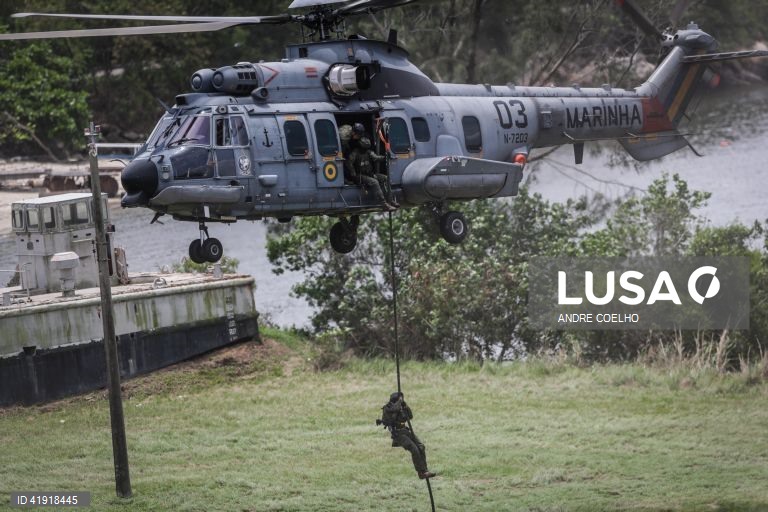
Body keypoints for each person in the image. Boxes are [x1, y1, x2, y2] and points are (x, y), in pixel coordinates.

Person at [378, 392, 436, 479]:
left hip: (405, 430)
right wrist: (399, 403)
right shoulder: (388, 408)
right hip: (398, 433)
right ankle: (421, 472)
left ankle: (425, 470)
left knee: (421, 447)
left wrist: (405, 406)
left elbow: (410, 416)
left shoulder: (401, 406)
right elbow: (393, 414)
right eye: (400, 398)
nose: (402, 400)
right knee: (414, 449)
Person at [348, 136, 398, 210]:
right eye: (364, 148)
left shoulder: (368, 152)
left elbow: (376, 158)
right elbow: (349, 163)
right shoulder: (355, 153)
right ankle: (383, 204)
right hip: (359, 176)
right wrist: (353, 173)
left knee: (385, 178)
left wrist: (385, 157)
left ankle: (390, 200)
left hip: (369, 174)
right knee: (374, 182)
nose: (366, 149)